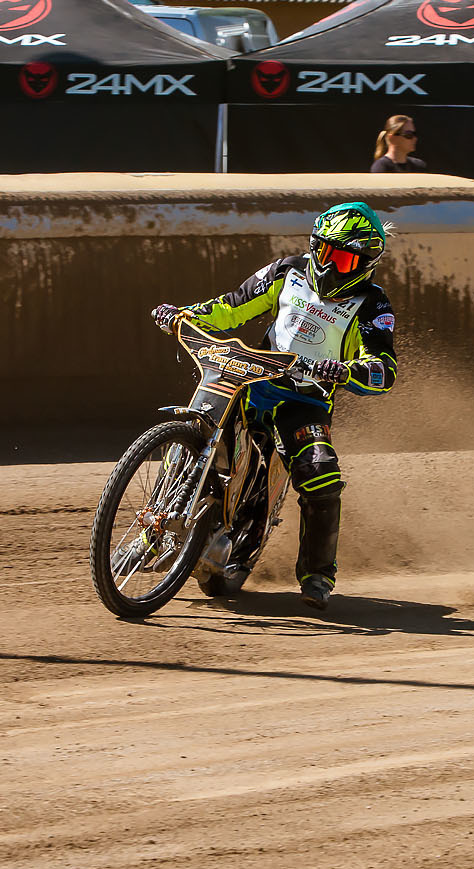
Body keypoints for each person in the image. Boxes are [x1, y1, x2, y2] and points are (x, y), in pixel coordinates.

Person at [152, 203, 398, 611]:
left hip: (305, 400)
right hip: (249, 380)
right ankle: (152, 530)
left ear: (365, 262)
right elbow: (231, 306)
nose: (326, 262)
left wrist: (345, 370)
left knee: (321, 475)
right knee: (194, 432)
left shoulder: (373, 304)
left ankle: (318, 574)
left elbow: (384, 370)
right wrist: (183, 315)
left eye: (340, 256)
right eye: (322, 250)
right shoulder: (287, 270)